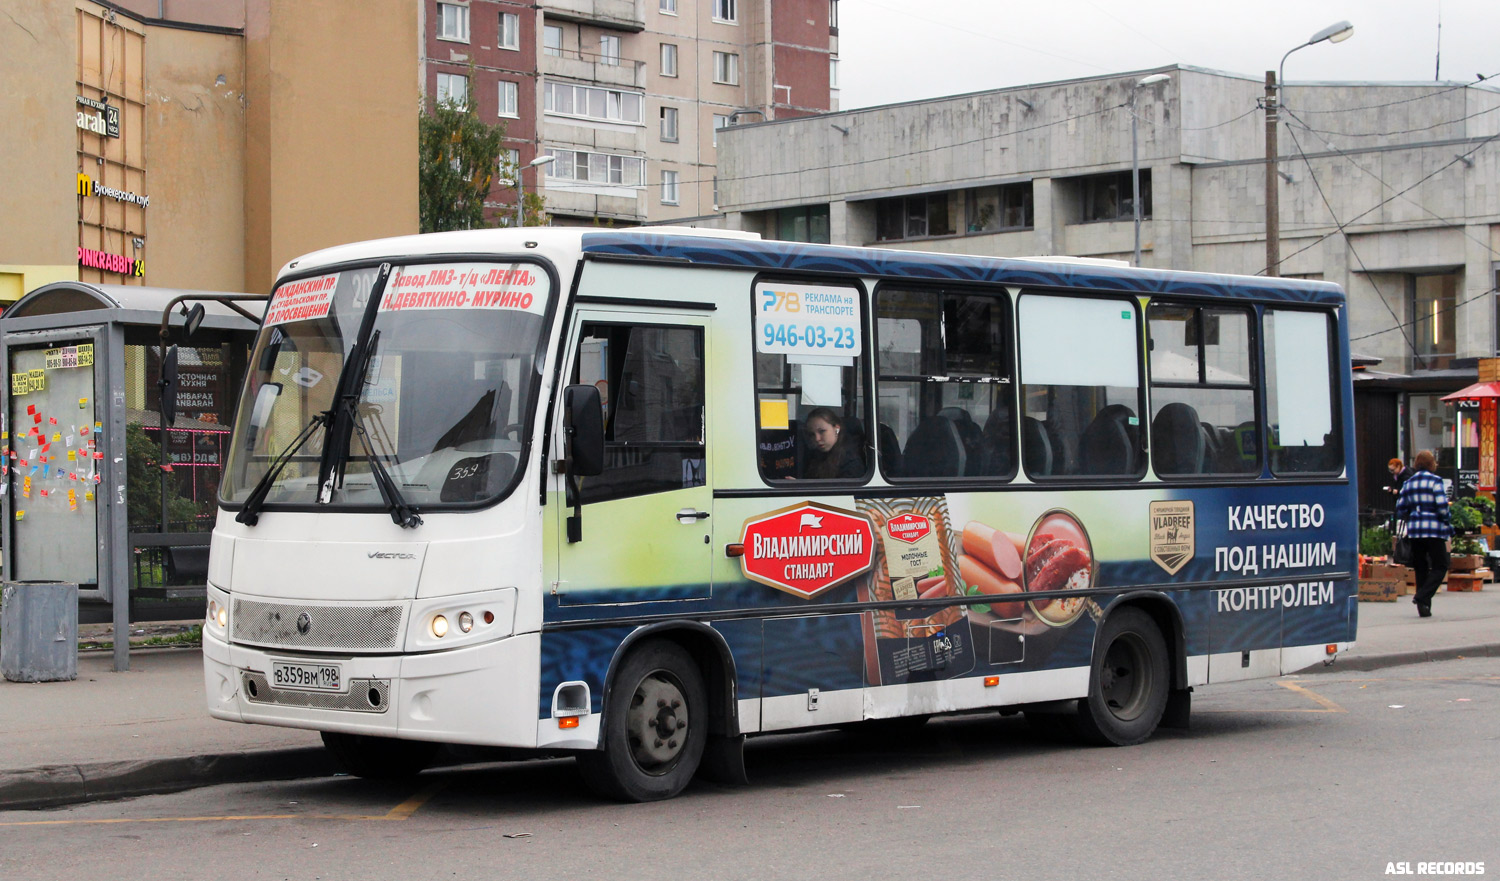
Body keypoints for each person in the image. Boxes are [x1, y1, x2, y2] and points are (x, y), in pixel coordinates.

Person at [1394, 449, 1451, 618]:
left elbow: (1400, 507)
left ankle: (1424, 608)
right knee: (1441, 565)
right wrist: (1446, 518)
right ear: (1431, 464)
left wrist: (1413, 512)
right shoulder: (1435, 481)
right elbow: (1442, 506)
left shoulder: (1409, 483)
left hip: (1415, 531)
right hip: (1434, 530)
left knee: (1421, 567)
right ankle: (1422, 596)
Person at [802, 407, 864, 479]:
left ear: (836, 429)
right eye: (812, 434)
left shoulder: (851, 461)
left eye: (822, 431)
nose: (817, 439)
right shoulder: (816, 455)